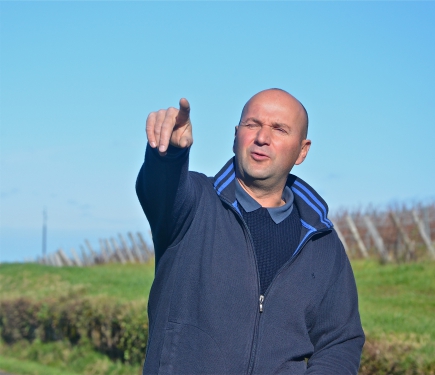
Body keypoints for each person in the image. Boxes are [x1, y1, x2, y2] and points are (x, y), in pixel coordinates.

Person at [136, 89, 365, 375]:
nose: (262, 138)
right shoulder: (192, 203)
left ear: (302, 151)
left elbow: (340, 341)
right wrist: (168, 156)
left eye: (279, 129)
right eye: (252, 124)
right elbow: (159, 189)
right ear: (236, 136)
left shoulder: (321, 241)